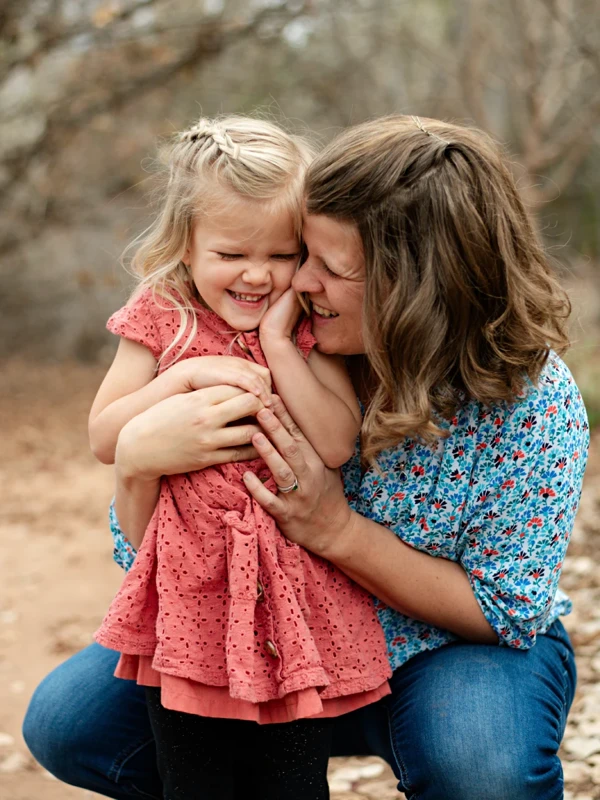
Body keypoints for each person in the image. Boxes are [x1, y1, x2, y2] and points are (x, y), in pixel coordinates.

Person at [23, 115, 588, 800]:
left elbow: (507, 607)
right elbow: (157, 548)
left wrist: (337, 532)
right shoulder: (250, 344)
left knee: (479, 767)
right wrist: (138, 461)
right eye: (305, 252)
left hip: (446, 654)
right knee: (70, 723)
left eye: (323, 264)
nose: (294, 283)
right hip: (269, 636)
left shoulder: (528, 398)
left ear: (411, 284)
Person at [87, 115, 391, 800]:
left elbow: (339, 442)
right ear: (185, 246)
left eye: (281, 255)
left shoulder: (307, 326)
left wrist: (282, 349)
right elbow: (107, 437)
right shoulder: (162, 314)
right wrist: (178, 382)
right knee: (191, 777)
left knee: (290, 780)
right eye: (231, 253)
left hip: (291, 599)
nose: (258, 275)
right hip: (189, 595)